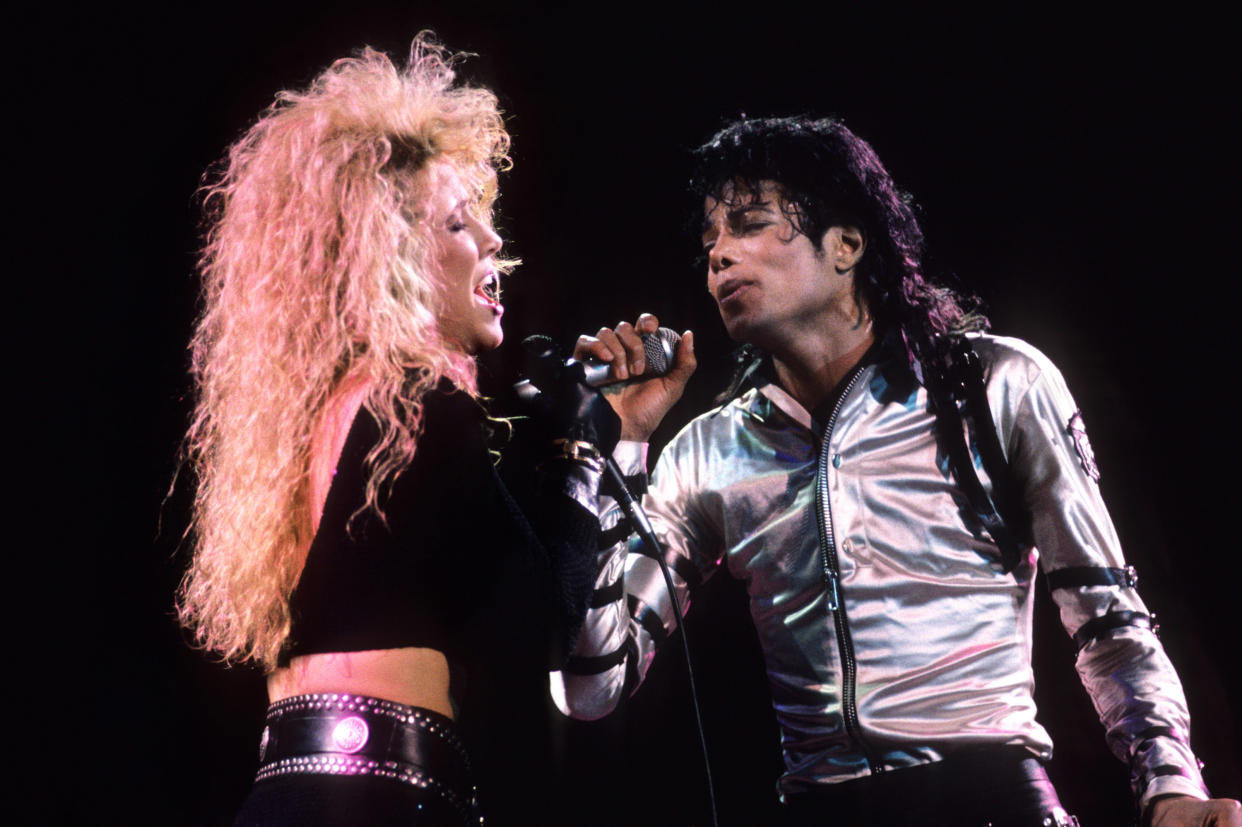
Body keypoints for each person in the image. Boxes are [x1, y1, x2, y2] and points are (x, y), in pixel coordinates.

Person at [554, 116, 1241, 826]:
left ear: (847, 243)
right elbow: (592, 683)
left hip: (990, 799)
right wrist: (616, 445)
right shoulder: (708, 452)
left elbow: (1107, 617)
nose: (719, 256)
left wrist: (1169, 782)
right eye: (709, 241)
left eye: (749, 224)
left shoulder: (993, 386)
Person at [177, 35, 614, 825]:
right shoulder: (413, 407)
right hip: (383, 797)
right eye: (458, 225)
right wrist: (580, 451)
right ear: (392, 254)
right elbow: (544, 624)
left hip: (283, 792)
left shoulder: (322, 417)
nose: (493, 244)